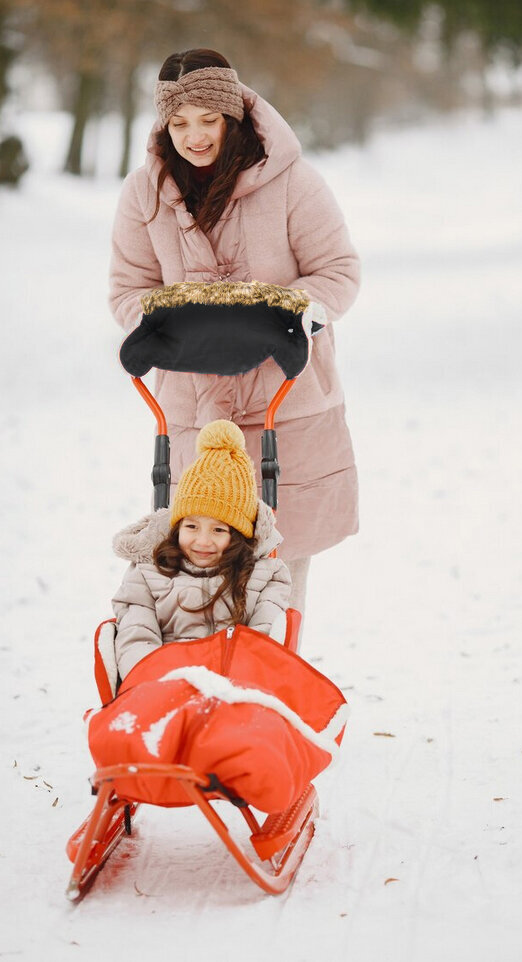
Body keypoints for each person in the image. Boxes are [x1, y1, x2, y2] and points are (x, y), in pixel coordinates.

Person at [109, 48, 360, 619]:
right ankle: (204, 697)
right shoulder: (143, 194)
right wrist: (169, 321)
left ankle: (272, 693)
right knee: (197, 570)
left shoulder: (293, 182)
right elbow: (128, 288)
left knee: (279, 571)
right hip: (194, 410)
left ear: (234, 116)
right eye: (178, 123)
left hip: (283, 402)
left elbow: (339, 272)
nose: (193, 136)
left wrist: (282, 313)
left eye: (207, 119)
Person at [112, 419, 291, 680]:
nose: (203, 541)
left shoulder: (264, 577)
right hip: (163, 685)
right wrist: (162, 681)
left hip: (234, 688)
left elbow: (263, 639)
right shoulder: (147, 575)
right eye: (192, 526)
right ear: (177, 527)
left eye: (219, 530)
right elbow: (136, 636)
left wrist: (229, 683)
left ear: (239, 535)